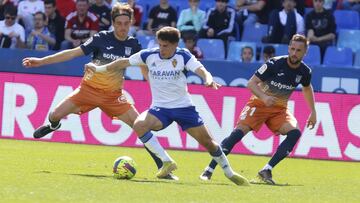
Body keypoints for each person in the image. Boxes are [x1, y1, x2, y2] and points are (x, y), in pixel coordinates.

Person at [22, 2, 177, 180]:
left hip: (113, 97)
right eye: (119, 23)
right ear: (113, 23)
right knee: (54, 114)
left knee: (140, 126)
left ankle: (164, 168)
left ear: (131, 22)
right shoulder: (101, 38)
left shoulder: (133, 44)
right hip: (87, 91)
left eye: (127, 23)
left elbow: (144, 69)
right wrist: (41, 61)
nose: (123, 27)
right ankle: (53, 125)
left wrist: (156, 89)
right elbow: (72, 53)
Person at [85, 26, 250, 186]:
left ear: (175, 45)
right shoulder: (149, 55)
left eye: (165, 46)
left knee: (209, 143)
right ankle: (166, 161)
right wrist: (98, 69)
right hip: (160, 109)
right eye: (160, 44)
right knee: (139, 125)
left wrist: (207, 79)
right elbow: (122, 63)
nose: (161, 49)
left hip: (184, 108)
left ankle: (229, 172)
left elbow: (201, 70)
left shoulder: (183, 56)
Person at [199, 34, 317, 185]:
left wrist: (313, 111)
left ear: (305, 52)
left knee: (294, 133)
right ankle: (208, 170)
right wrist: (264, 97)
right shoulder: (274, 63)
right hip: (258, 104)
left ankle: (266, 170)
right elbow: (251, 83)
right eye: (292, 49)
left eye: (298, 50)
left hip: (279, 109)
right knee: (237, 135)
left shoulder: (305, 71)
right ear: (288, 48)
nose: (294, 53)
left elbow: (307, 88)